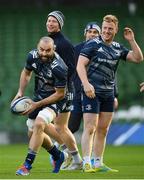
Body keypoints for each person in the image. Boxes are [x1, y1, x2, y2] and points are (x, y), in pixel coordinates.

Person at [77, 14, 143, 172]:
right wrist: (86, 85)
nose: (106, 31)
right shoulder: (92, 44)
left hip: (108, 94)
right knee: (90, 127)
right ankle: (86, 162)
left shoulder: (118, 47)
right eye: (105, 28)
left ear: (116, 30)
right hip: (91, 92)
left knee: (103, 129)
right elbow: (80, 65)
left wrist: (131, 40)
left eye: (110, 29)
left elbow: (138, 58)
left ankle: (98, 163)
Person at [13, 37, 69, 175]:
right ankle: (58, 155)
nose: (44, 53)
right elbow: (26, 72)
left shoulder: (59, 67)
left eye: (48, 50)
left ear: (53, 48)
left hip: (56, 100)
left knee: (39, 124)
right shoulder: (32, 56)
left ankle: (27, 166)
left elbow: (60, 94)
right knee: (32, 132)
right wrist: (20, 92)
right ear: (37, 47)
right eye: (41, 50)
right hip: (39, 96)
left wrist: (36, 104)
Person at [46, 10, 82, 170]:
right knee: (53, 125)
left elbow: (71, 68)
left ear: (60, 24)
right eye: (48, 20)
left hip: (63, 90)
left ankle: (75, 158)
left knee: (59, 126)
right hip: (52, 89)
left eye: (54, 21)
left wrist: (60, 87)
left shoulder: (64, 44)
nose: (50, 23)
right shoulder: (48, 41)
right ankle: (70, 154)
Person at [68, 22, 101, 134]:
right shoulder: (76, 49)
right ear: (85, 34)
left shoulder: (104, 50)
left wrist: (115, 95)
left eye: (95, 32)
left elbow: (110, 72)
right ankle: (57, 148)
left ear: (99, 35)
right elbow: (69, 70)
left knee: (94, 128)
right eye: (89, 32)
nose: (92, 34)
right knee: (72, 126)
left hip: (98, 92)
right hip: (77, 92)